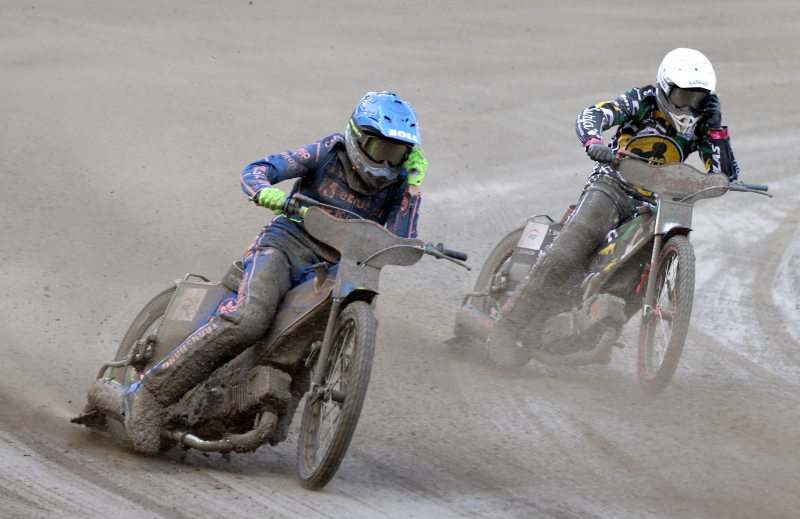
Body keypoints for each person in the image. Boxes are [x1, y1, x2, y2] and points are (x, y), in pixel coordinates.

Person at [124, 91, 428, 454]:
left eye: (397, 154)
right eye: (380, 149)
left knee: (309, 346)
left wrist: (413, 184)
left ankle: (253, 407)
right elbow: (258, 170)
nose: (386, 161)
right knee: (250, 319)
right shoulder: (326, 152)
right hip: (286, 247)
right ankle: (150, 395)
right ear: (357, 138)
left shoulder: (398, 185)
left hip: (338, 268)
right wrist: (267, 193)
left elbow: (400, 241)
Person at [488, 48, 739, 363]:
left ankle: (590, 327)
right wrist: (594, 143)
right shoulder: (642, 100)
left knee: (641, 276)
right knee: (570, 251)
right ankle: (507, 328)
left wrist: (716, 128)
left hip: (654, 205)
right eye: (683, 94)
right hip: (611, 187)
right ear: (664, 87)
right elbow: (593, 115)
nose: (690, 105)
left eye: (699, 97)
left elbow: (725, 176)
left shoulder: (704, 126)